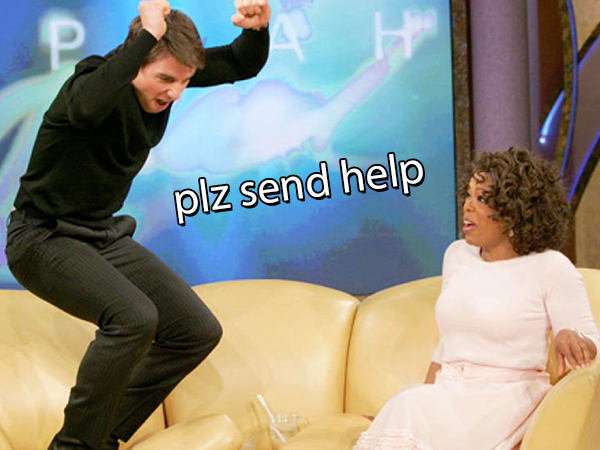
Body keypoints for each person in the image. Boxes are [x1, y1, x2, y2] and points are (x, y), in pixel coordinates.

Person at [3, 1, 271, 449]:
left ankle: (102, 437)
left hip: (99, 234)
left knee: (194, 330)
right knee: (132, 318)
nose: (175, 93)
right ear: (135, 59)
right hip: (41, 237)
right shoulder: (92, 83)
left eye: (184, 81)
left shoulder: (166, 76)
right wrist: (146, 35)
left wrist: (257, 31)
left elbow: (239, 63)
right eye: (166, 79)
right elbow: (87, 108)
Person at [353, 147, 600, 450]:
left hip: (508, 400)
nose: (467, 206)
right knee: (407, 404)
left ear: (514, 212)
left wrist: (570, 336)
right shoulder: (457, 255)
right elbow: (446, 346)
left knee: (408, 406)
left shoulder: (551, 266)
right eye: (468, 195)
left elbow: (591, 343)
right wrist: (417, 409)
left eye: (482, 198)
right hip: (450, 392)